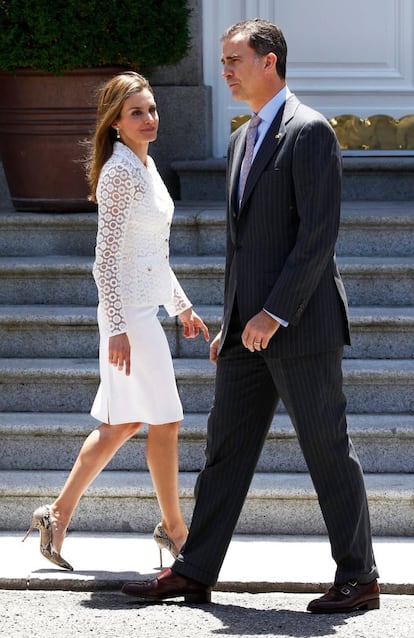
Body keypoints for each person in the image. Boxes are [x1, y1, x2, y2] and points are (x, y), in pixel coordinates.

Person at [121, 19, 380, 613]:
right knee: (225, 449)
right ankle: (194, 571)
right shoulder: (241, 140)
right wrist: (235, 320)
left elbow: (317, 237)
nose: (225, 70)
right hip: (247, 331)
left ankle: (359, 575)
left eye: (235, 59)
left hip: (301, 326)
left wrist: (273, 313)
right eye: (223, 60)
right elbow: (243, 246)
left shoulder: (310, 132)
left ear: (270, 63)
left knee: (326, 449)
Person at [22, 72, 209, 572]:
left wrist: (182, 306)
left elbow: (150, 254)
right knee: (165, 419)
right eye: (136, 113)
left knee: (122, 423)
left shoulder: (145, 166)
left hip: (145, 308)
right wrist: (120, 326)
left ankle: (56, 515)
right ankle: (176, 531)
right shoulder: (120, 173)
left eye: (151, 109)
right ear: (115, 123)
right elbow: (105, 259)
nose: (149, 119)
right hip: (127, 314)